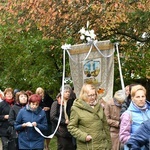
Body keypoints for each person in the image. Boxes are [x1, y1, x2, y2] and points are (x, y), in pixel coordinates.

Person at [67, 83, 111, 150]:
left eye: (94, 95)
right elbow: (71, 127)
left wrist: (109, 143)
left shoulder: (98, 106)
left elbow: (105, 126)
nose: (93, 97)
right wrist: (84, 136)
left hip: (102, 145)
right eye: (90, 95)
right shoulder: (76, 108)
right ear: (84, 95)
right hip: (88, 146)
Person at [119, 85, 150, 150]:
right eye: (138, 97)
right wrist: (138, 141)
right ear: (132, 98)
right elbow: (123, 136)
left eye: (143, 96)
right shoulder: (127, 115)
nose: (141, 99)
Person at [50, 84, 75, 150]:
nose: (68, 93)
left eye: (69, 92)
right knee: (63, 146)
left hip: (70, 129)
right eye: (66, 92)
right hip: (60, 130)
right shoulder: (56, 103)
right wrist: (64, 121)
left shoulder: (70, 102)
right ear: (61, 92)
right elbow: (52, 117)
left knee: (71, 147)